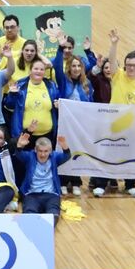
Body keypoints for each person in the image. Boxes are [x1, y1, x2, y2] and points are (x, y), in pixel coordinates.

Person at [102, 29, 135, 198]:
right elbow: (111, 60)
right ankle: (104, 183)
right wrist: (114, 44)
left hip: (134, 126)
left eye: (134, 65)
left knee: (132, 154)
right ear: (125, 66)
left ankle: (130, 184)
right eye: (129, 65)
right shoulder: (118, 76)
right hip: (115, 123)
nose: (131, 67)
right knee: (110, 153)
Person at [53, 40, 95, 195]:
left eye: (79, 66)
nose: (76, 68)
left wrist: (88, 51)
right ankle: (63, 181)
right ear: (69, 68)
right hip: (65, 123)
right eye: (73, 66)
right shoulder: (64, 81)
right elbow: (57, 66)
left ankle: (76, 181)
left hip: (80, 124)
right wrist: (60, 48)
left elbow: (90, 103)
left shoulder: (87, 84)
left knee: (78, 151)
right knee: (64, 150)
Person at [17, 134, 71, 219]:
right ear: (35, 150)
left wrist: (65, 147)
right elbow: (19, 154)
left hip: (51, 194)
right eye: (40, 151)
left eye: (46, 151)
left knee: (53, 215)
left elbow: (67, 156)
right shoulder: (30, 157)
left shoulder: (55, 157)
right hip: (32, 194)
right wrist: (20, 145)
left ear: (50, 151)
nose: (43, 154)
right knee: (29, 214)